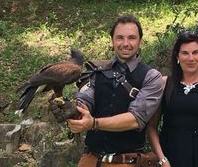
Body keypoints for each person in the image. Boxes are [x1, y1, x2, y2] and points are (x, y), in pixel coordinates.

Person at [67, 14, 164, 167]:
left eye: (131, 38)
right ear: (112, 41)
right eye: (120, 38)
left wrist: (93, 123)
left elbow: (135, 119)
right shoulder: (96, 71)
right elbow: (86, 99)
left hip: (125, 162)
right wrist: (74, 111)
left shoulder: (151, 77)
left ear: (140, 42)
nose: (125, 43)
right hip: (90, 160)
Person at [148, 31, 198, 167]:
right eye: (185, 53)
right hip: (169, 158)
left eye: (195, 52)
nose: (191, 58)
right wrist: (162, 160)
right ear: (177, 56)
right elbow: (152, 127)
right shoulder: (165, 83)